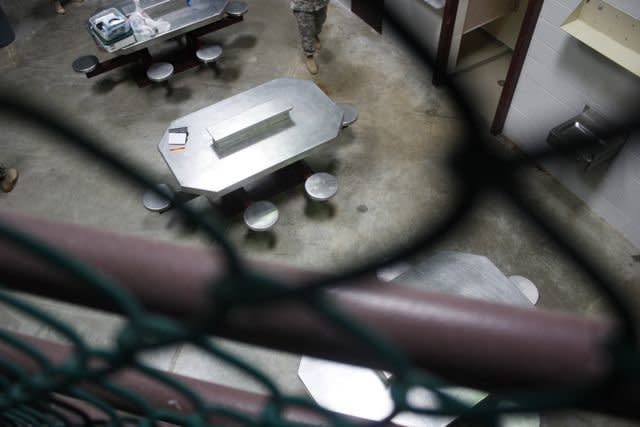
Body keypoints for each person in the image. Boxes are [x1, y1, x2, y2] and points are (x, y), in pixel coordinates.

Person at [291, 0, 329, 75]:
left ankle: (314, 35)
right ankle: (309, 55)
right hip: (302, 4)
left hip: (321, 2)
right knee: (306, 30)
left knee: (320, 21)